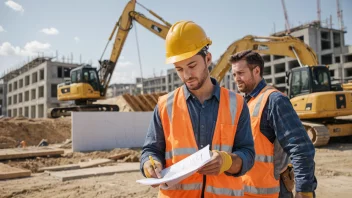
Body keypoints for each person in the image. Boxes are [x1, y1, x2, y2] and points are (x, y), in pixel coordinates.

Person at [140, 20, 255, 198]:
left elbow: (247, 154)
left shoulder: (237, 104)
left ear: (207, 59)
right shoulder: (164, 105)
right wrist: (150, 164)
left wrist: (227, 161)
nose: (186, 75)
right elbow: (150, 151)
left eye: (192, 66)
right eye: (179, 69)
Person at [229, 50, 317, 198]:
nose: (236, 79)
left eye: (241, 73)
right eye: (234, 75)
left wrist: (304, 191)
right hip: (250, 191)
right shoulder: (247, 102)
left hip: (275, 191)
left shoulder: (275, 100)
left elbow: (301, 148)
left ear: (256, 71)